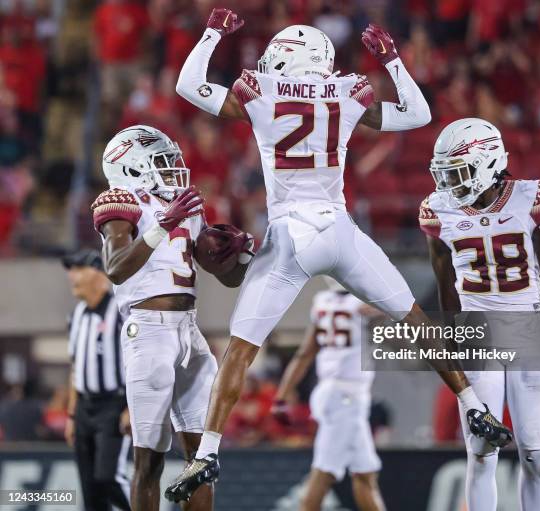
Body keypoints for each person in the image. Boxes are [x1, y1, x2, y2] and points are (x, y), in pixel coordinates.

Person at [166, 9, 511, 502]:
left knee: (241, 349)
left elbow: (188, 85)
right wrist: (393, 61)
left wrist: (212, 33)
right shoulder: (347, 93)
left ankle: (208, 454)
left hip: (290, 235)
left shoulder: (260, 94)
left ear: (285, 60)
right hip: (340, 230)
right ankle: (475, 407)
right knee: (415, 318)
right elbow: (418, 114)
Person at [90, 125, 253, 511]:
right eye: (162, 162)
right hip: (147, 332)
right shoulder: (120, 201)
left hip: (189, 331)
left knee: (202, 461)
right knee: (150, 459)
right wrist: (163, 223)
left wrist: (241, 257)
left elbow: (224, 277)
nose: (173, 169)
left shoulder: (181, 204)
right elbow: (114, 268)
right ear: (129, 166)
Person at [419, 118, 540, 511]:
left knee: (535, 457)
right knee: (482, 452)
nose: (449, 184)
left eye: (459, 171)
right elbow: (446, 290)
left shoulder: (531, 197)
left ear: (487, 162)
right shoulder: (437, 209)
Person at [272, 278, 386, 511]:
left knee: (365, 473)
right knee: (324, 472)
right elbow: (396, 308)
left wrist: (281, 397)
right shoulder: (361, 304)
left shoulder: (322, 302)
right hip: (345, 397)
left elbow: (305, 353)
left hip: (337, 394)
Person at [62, 249, 131, 511]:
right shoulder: (76, 316)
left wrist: (130, 407)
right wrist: (71, 415)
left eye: (79, 269)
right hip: (84, 408)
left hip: (113, 405)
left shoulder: (122, 311)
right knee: (90, 489)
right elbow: (75, 367)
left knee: (109, 477)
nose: (72, 276)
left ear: (101, 275)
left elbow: (138, 362)